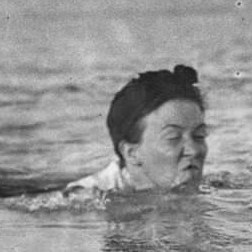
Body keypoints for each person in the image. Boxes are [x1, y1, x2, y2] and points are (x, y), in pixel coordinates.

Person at [58, 63, 208, 202]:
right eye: (173, 137)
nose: (194, 150)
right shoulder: (84, 199)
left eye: (199, 136)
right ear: (131, 153)